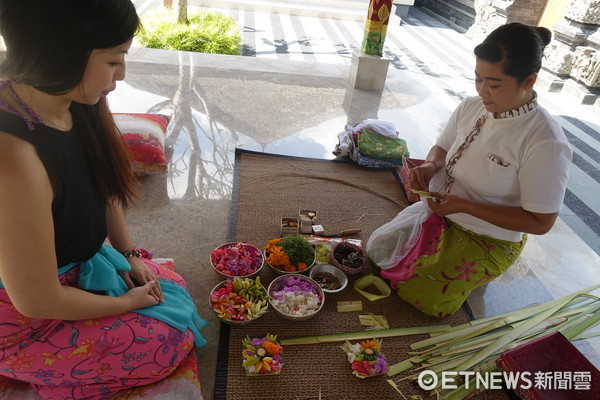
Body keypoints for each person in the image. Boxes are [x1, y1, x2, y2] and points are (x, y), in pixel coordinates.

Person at [0, 1, 207, 398]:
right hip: (28, 314)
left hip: (77, 263)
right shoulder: (13, 161)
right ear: (63, 53)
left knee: (172, 291)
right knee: (166, 342)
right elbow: (36, 299)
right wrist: (125, 303)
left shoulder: (73, 96)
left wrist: (129, 253)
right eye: (115, 60)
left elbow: (102, 182)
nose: (122, 74)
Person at [366, 23, 572, 319]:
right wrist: (430, 165)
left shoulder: (545, 141)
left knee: (417, 293)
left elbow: (541, 221)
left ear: (528, 81)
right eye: (478, 79)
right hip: (441, 211)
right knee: (377, 251)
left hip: (487, 236)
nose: (483, 91)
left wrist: (464, 206)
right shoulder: (471, 107)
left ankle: (472, 277)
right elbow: (442, 147)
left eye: (494, 84)